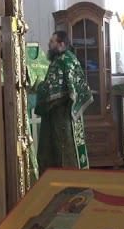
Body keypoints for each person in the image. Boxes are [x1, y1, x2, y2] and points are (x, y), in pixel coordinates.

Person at [34, 31, 92, 173]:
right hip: (73, 113)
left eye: (52, 41)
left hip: (61, 115)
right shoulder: (71, 58)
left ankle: (65, 180)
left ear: (61, 44)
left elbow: (51, 89)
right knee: (71, 146)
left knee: (62, 149)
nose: (49, 44)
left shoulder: (61, 62)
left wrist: (38, 86)